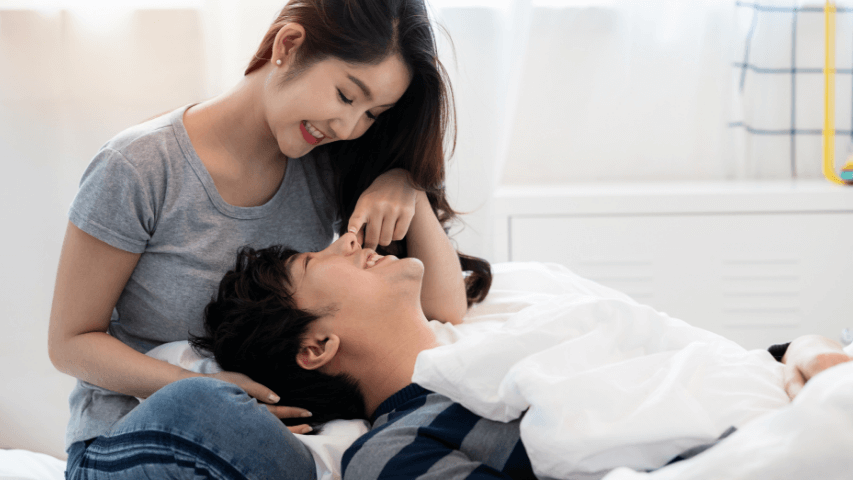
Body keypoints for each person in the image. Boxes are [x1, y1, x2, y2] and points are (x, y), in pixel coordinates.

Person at [49, 1, 491, 478]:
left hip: (271, 442)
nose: (348, 127)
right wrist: (218, 390)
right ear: (289, 45)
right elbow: (71, 342)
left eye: (372, 114)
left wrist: (407, 186)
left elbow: (444, 308)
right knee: (208, 409)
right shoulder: (138, 167)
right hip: (130, 436)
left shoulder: (329, 165)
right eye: (346, 96)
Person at [193, 232, 853, 479]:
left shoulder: (515, 325)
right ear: (316, 347)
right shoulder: (392, 450)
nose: (345, 241)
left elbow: (691, 357)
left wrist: (803, 349)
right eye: (317, 260)